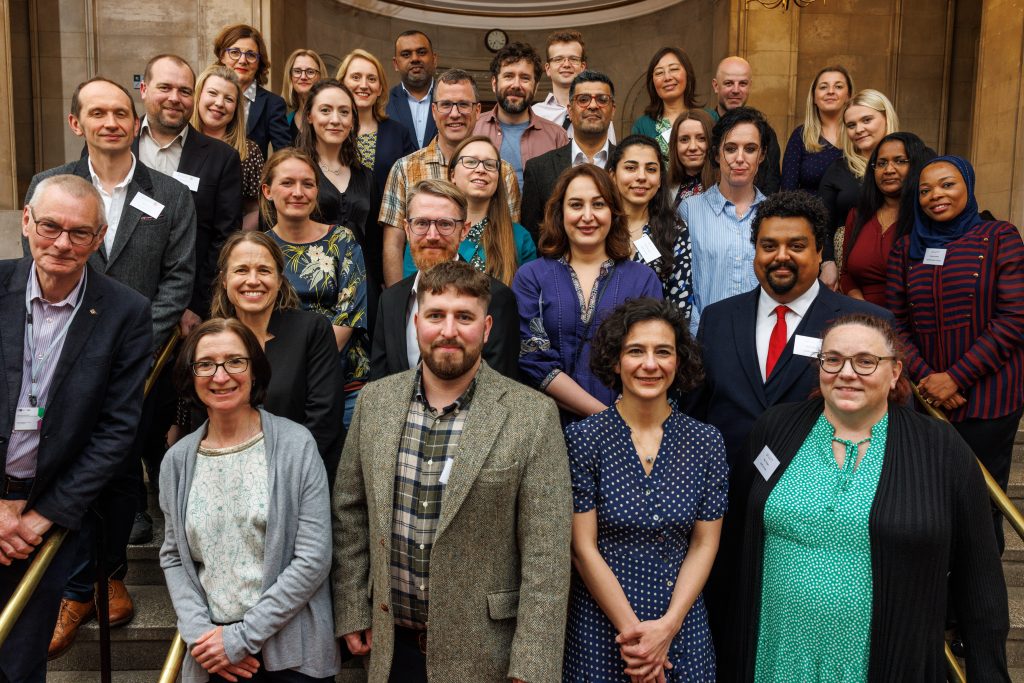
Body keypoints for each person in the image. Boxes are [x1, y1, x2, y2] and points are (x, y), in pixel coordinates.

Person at [730, 313, 1009, 681]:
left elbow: (979, 578)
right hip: (777, 656)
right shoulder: (776, 428)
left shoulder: (941, 449)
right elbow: (735, 535)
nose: (847, 373)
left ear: (894, 372)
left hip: (888, 662)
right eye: (833, 360)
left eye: (866, 361)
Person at [332, 260, 573, 683]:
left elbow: (547, 555)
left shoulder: (531, 415)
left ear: (487, 326)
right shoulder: (375, 403)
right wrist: (353, 607)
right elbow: (349, 512)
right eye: (436, 315)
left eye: (464, 317)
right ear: (416, 321)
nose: (448, 330)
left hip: (488, 657)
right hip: (391, 651)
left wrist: (531, 667)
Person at [683, 190, 887, 680]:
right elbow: (695, 410)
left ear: (820, 253)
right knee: (731, 630)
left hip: (818, 522)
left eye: (797, 245)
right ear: (754, 253)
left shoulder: (861, 324)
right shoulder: (718, 318)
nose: (781, 256)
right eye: (769, 245)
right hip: (728, 510)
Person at [25, 76, 196, 655]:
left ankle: (108, 575)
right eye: (97, 112)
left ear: (138, 120)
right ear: (78, 123)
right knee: (67, 461)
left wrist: (129, 344)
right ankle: (73, 585)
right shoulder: (49, 185)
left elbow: (178, 279)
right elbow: (44, 263)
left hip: (136, 360)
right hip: (58, 355)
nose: (111, 122)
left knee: (121, 468)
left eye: (121, 112)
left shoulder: (171, 195)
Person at [0, 175, 152, 682]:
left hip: (48, 521)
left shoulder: (126, 312)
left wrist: (41, 516)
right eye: (50, 226)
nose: (62, 243)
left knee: (21, 664)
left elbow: (117, 431)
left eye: (80, 233)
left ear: (101, 236)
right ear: (26, 221)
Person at [160, 318, 340, 683]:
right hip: (212, 658)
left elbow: (313, 558)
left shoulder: (296, 445)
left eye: (235, 361)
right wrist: (201, 637)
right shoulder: (176, 461)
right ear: (191, 376)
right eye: (206, 364)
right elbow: (174, 556)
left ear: (255, 371)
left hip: (292, 656)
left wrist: (240, 639)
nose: (220, 375)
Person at [563, 298, 726, 682]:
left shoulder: (706, 442)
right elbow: (582, 548)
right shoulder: (583, 439)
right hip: (602, 630)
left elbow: (705, 544)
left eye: (663, 352)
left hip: (681, 627)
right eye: (635, 351)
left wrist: (666, 629)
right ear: (615, 361)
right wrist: (638, 641)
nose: (650, 364)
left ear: (679, 362)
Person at [887, 155, 1024, 553]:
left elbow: (1014, 318)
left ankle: (980, 608)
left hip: (989, 400)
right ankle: (940, 604)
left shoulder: (1001, 237)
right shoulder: (904, 251)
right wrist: (929, 379)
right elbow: (895, 325)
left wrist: (956, 377)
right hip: (926, 401)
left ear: (967, 185)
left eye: (947, 185)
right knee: (931, 505)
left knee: (981, 507)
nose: (936, 196)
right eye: (926, 190)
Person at [512, 164, 663, 423]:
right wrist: (607, 416)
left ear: (614, 212)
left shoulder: (642, 279)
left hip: (625, 429)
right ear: (560, 213)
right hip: (548, 429)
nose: (587, 215)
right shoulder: (531, 277)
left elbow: (650, 355)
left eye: (598, 204)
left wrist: (625, 415)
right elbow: (534, 360)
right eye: (576, 205)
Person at [209, 231, 344, 473]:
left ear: (279, 280)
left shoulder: (311, 330)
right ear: (224, 280)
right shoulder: (211, 340)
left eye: (264, 270)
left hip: (300, 474)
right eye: (241, 270)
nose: (253, 280)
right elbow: (204, 421)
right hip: (226, 475)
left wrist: (277, 475)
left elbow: (323, 420)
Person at [379, 68, 520, 286]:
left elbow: (511, 239)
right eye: (446, 105)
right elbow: (394, 244)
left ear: (477, 110)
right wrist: (398, 303)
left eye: (463, 104)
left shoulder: (502, 172)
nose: (455, 114)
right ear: (433, 111)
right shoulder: (405, 168)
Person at [261, 149, 368, 430]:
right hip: (274, 386)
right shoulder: (258, 250)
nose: (298, 192)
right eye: (287, 183)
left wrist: (300, 369)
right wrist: (287, 377)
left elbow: (348, 315)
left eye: (307, 184)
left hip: (341, 383)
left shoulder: (342, 240)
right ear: (267, 191)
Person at [370, 179, 520, 381]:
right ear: (407, 229)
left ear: (464, 230)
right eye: (421, 223)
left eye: (445, 224)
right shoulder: (390, 300)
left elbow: (500, 387)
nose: (432, 235)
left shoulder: (497, 298)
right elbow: (380, 385)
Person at [138, 54, 243, 324]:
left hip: (187, 308)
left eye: (184, 91)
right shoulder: (114, 144)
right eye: (165, 88)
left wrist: (197, 303)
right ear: (144, 89)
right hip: (118, 299)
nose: (175, 98)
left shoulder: (221, 157)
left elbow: (225, 237)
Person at [679, 106, 768, 335]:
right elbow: (682, 285)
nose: (740, 158)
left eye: (750, 149)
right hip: (704, 339)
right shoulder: (690, 209)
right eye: (730, 149)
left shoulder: (774, 214)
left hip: (759, 340)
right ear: (717, 154)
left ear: (762, 155)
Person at [398, 135, 536, 282]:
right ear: (452, 175)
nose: (481, 169)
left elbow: (526, 299)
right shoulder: (426, 233)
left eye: (490, 164)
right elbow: (411, 290)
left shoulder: (520, 238)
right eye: (470, 162)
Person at [295, 79, 380, 292]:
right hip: (307, 285)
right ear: (309, 117)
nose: (335, 120)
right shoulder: (294, 170)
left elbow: (374, 243)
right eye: (325, 110)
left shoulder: (366, 177)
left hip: (361, 286)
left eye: (344, 112)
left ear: (353, 120)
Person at [838, 132, 934, 306]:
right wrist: (862, 307)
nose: (889, 170)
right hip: (861, 315)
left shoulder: (928, 215)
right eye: (881, 163)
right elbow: (846, 275)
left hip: (910, 318)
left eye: (899, 161)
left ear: (916, 165)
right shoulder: (857, 215)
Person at [520, 70, 617, 241]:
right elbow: (532, 238)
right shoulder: (539, 169)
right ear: (570, 111)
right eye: (583, 99)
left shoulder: (629, 165)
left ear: (613, 110)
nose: (593, 106)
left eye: (602, 100)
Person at [607, 134, 693, 321]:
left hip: (649, 341)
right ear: (612, 175)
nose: (641, 177)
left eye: (651, 169)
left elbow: (679, 304)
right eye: (631, 168)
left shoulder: (674, 230)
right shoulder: (597, 224)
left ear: (660, 179)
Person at [819, 89, 899, 286]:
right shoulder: (839, 168)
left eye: (867, 120)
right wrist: (827, 262)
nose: (859, 129)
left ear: (886, 117)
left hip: (899, 257)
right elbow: (821, 221)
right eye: (851, 125)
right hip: (848, 262)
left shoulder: (913, 159)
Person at [473, 42, 569, 190]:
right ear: (494, 84)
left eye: (525, 78)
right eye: (508, 76)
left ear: (536, 87)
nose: (516, 85)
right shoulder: (472, 128)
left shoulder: (557, 136)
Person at [191, 65, 264, 232]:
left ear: (236, 108)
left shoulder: (249, 151)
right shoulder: (180, 142)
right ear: (198, 96)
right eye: (212, 93)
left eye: (229, 99)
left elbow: (256, 209)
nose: (219, 103)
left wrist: (231, 240)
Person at [337, 48, 417, 195]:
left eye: (372, 79)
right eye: (356, 77)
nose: (364, 85)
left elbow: (412, 186)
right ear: (342, 83)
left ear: (380, 89)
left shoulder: (399, 134)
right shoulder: (329, 129)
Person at [214, 23, 291, 156]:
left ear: (259, 62)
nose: (242, 60)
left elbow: (284, 154)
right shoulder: (205, 95)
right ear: (222, 56)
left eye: (251, 55)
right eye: (234, 52)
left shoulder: (273, 104)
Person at [708, 56, 781, 195]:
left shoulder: (765, 133)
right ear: (716, 86)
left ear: (750, 86)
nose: (736, 90)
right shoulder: (703, 128)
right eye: (729, 83)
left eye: (742, 84)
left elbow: (771, 184)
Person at [531, 30, 617, 142]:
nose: (566, 64)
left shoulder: (598, 111)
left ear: (582, 67)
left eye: (573, 59)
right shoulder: (534, 113)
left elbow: (609, 156)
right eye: (558, 59)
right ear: (548, 69)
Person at [781, 65, 853, 193]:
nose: (830, 91)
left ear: (848, 95)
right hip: (807, 212)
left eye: (838, 86)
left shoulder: (859, 134)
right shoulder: (801, 136)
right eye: (823, 87)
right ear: (814, 97)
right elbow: (787, 192)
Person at [631, 47, 702, 159]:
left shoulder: (709, 117)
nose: (667, 78)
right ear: (652, 82)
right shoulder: (643, 125)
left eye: (674, 69)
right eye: (659, 73)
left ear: (687, 74)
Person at [385, 30, 438, 149]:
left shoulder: (450, 100)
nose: (415, 59)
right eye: (406, 54)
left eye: (422, 52)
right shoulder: (382, 104)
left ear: (434, 59)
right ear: (395, 64)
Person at [666, 109, 715, 211]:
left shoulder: (727, 186)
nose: (692, 147)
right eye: (684, 139)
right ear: (675, 145)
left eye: (701, 138)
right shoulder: (663, 188)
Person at [281, 48, 327, 136]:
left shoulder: (330, 117)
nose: (303, 77)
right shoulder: (286, 122)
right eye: (297, 71)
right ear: (290, 77)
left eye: (310, 72)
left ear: (320, 77)